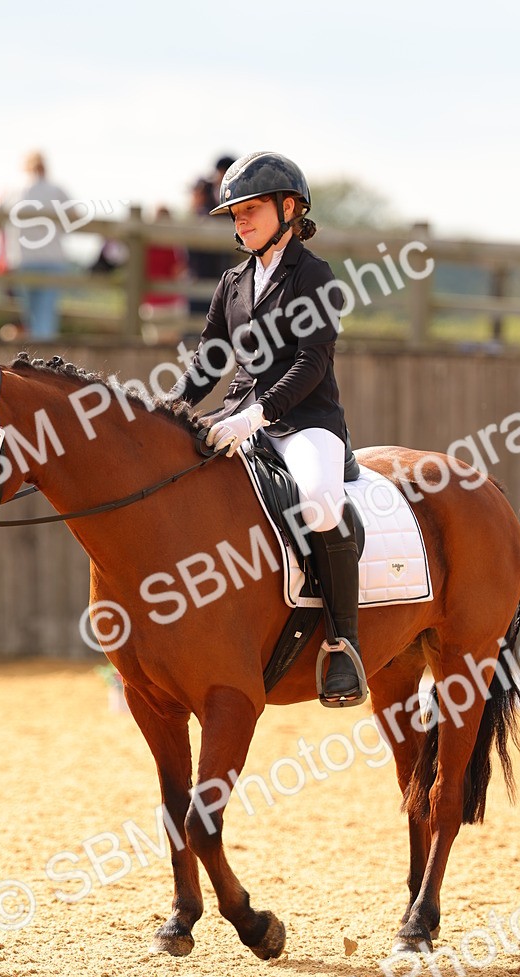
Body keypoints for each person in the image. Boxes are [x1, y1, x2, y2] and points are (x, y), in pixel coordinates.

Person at [168, 150, 365, 704]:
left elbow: (313, 361)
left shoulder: (313, 274)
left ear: (289, 208)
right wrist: (169, 410)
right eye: (235, 213)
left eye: (251, 209)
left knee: (322, 500)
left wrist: (260, 413)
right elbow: (209, 361)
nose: (240, 221)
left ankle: (343, 643)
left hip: (304, 421)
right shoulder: (233, 282)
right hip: (237, 415)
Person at [2, 152, 72, 339]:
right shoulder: (57, 190)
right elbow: (73, 219)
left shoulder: (14, 189)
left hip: (23, 260)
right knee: (46, 315)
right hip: (52, 260)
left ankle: (34, 356)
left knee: (30, 315)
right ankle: (43, 359)